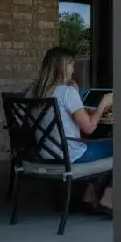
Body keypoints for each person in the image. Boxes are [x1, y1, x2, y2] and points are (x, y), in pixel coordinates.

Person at [27, 47, 114, 213]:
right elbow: (89, 128)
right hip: (71, 155)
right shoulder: (66, 92)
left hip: (45, 153)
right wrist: (103, 104)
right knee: (120, 144)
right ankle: (108, 198)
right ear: (62, 67)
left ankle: (90, 193)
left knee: (100, 142)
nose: (73, 70)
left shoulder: (31, 92)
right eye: (71, 65)